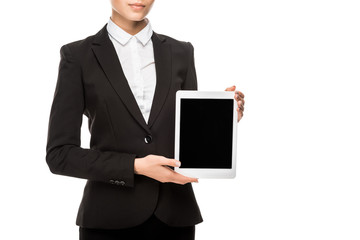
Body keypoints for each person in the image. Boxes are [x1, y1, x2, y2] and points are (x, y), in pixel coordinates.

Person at [45, 0, 245, 239]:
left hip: (174, 219)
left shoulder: (181, 52)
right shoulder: (77, 56)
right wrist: (135, 166)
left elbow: (187, 143)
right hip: (107, 220)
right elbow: (60, 155)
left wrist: (219, 121)